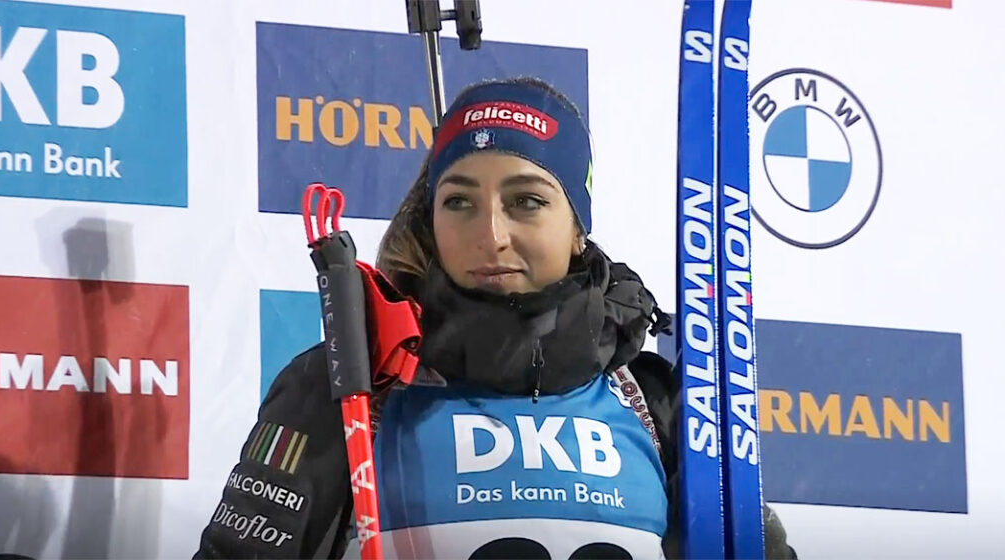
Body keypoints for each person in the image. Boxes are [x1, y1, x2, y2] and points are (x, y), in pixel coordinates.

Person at [194, 77, 796, 559]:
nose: (491, 235)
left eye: (526, 201)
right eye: (459, 201)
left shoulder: (659, 404)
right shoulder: (348, 382)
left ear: (577, 226)